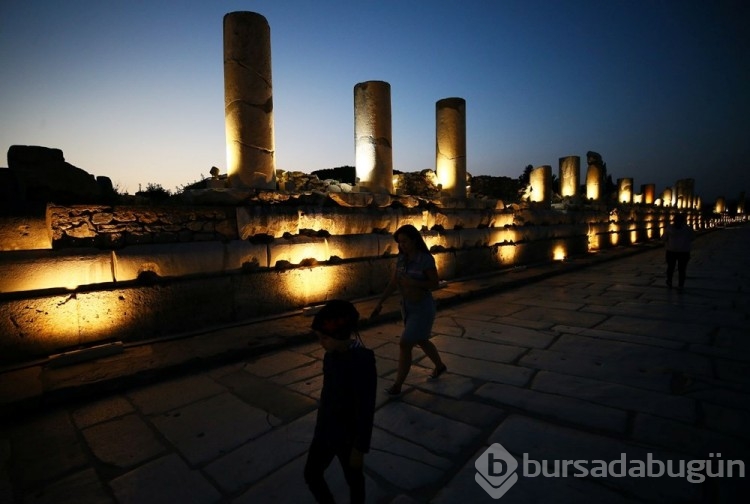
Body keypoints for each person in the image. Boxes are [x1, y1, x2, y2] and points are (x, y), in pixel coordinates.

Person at [304, 299, 377, 504]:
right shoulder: (331, 356)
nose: (321, 343)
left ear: (341, 334)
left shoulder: (362, 361)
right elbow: (328, 395)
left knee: (354, 480)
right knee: (311, 474)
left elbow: (366, 407)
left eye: (324, 338)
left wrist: (360, 447)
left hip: (348, 437)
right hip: (325, 431)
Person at [370, 224, 447, 397]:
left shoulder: (425, 259)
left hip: (423, 307)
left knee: (405, 343)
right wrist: (380, 303)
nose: (402, 245)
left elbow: (434, 284)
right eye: (400, 242)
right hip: (407, 307)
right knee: (421, 339)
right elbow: (394, 282)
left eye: (405, 241)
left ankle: (397, 385)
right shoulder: (402, 259)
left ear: (414, 240)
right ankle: (440, 366)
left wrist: (414, 283)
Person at [662, 213, 693, 290]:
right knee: (682, 269)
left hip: (671, 250)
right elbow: (692, 238)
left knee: (670, 267)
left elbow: (664, 238)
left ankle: (669, 281)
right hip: (684, 251)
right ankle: (680, 284)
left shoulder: (669, 228)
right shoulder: (688, 229)